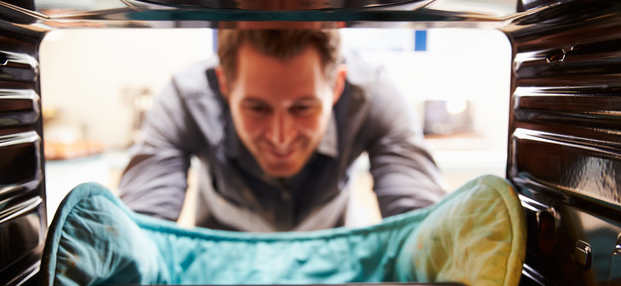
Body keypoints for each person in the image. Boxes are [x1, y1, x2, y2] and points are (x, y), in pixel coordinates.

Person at [118, 26, 446, 232]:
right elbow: (141, 227)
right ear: (225, 84)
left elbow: (423, 225)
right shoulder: (185, 97)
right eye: (257, 108)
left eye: (302, 108)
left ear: (336, 87)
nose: (280, 136)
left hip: (336, 282)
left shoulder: (373, 97)